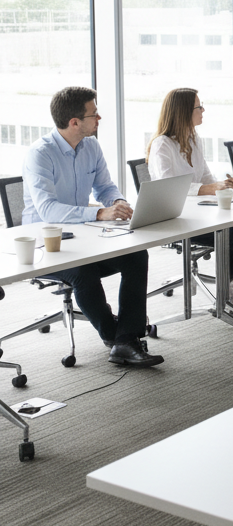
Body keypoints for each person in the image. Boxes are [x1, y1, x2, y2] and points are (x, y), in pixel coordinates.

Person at [21, 86, 163, 367]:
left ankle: (126, 339)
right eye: (94, 114)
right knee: (82, 270)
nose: (99, 119)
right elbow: (48, 210)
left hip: (83, 237)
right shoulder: (40, 154)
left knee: (136, 255)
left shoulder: (91, 146)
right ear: (75, 122)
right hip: (46, 247)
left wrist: (118, 203)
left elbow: (105, 187)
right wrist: (99, 213)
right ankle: (116, 336)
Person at [147, 88, 233, 325]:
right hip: (177, 221)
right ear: (183, 112)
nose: (203, 110)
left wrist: (222, 185)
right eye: (198, 107)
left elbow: (205, 178)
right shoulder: (161, 145)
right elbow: (170, 188)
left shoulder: (194, 139)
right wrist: (210, 188)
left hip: (201, 214)